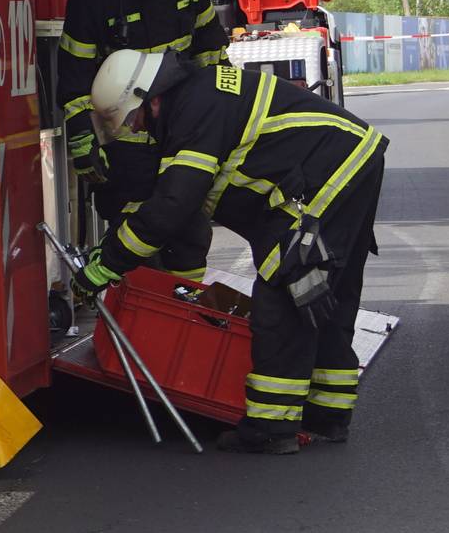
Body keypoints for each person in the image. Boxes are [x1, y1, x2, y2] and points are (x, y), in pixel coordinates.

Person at [75, 53, 386, 455]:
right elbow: (170, 195)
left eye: (134, 117)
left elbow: (174, 203)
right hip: (349, 161)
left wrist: (105, 266)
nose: (137, 128)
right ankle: (328, 413)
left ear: (149, 96)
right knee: (325, 291)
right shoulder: (200, 95)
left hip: (330, 170)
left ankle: (270, 428)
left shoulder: (193, 109)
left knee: (286, 289)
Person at [54, 0, 232, 280]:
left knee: (189, 227)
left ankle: (186, 321)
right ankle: (142, 318)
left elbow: (209, 48)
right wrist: (83, 140)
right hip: (124, 139)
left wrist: (225, 109)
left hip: (182, 132)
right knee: (133, 232)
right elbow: (74, 74)